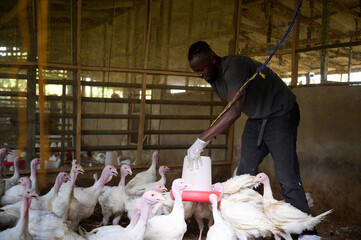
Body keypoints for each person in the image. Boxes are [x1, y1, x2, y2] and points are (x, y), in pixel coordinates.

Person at [186, 41, 318, 239]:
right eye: (196, 71)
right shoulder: (213, 78)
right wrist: (210, 133)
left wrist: (202, 140)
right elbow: (227, 108)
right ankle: (249, 224)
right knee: (244, 175)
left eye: (201, 68)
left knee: (287, 177)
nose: (200, 74)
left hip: (281, 113)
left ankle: (308, 234)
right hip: (257, 119)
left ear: (213, 58)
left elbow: (234, 111)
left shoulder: (234, 67)